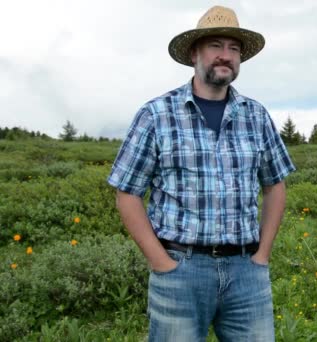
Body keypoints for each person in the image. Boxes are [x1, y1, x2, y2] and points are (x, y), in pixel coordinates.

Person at [107, 5, 295, 341]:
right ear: (195, 53)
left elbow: (275, 185)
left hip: (246, 272)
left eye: (234, 49)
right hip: (180, 270)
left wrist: (262, 255)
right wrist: (161, 263)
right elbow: (127, 192)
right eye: (216, 46)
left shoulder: (256, 115)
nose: (226, 56)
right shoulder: (156, 115)